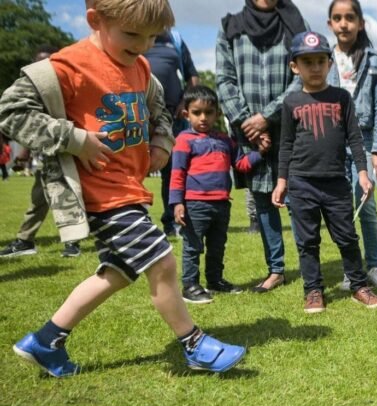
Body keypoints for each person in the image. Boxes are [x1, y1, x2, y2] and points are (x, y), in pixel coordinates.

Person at [0, 0, 245, 377]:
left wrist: (162, 140)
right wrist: (74, 138)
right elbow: (11, 110)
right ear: (96, 20)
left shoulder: (141, 67)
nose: (143, 45)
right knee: (161, 260)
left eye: (152, 36)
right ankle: (194, 344)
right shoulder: (67, 66)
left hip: (128, 190)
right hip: (100, 194)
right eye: (132, 34)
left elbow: (159, 108)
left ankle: (46, 341)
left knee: (118, 271)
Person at [271, 31, 377, 314]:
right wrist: (282, 180)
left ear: (330, 63)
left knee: (346, 236)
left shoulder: (341, 98)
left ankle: (359, 285)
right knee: (307, 241)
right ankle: (313, 291)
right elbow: (285, 145)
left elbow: (355, 138)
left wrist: (362, 172)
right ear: (294, 66)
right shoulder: (291, 102)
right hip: (301, 183)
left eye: (320, 61)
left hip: (336, 182)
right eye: (306, 61)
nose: (314, 67)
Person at [216, 0, 309, 293]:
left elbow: (302, 76)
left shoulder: (293, 23)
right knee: (263, 201)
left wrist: (266, 117)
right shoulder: (230, 26)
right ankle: (276, 270)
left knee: (298, 201)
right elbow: (225, 81)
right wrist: (249, 125)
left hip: (290, 127)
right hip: (249, 135)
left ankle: (310, 268)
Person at [326, 0, 377, 292]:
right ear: (330, 24)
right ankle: (350, 269)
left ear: (360, 23)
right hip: (332, 141)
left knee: (366, 205)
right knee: (341, 208)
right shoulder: (322, 59)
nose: (344, 23)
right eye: (337, 18)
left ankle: (375, 265)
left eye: (350, 18)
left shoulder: (374, 60)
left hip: (365, 141)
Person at [0, 45, 82, 258]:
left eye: (47, 61)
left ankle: (72, 241)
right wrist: (26, 152)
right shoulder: (32, 92)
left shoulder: (67, 87)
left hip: (69, 150)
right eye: (38, 62)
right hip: (47, 154)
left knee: (66, 195)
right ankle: (25, 240)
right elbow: (32, 127)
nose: (43, 66)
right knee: (39, 197)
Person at [169, 85, 244, 304]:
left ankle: (215, 280)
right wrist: (177, 203)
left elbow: (240, 163)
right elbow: (177, 173)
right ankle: (190, 285)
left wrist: (261, 154)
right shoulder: (183, 140)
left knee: (217, 245)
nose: (203, 118)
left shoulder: (224, 140)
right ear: (186, 114)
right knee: (193, 246)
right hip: (195, 205)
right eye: (197, 112)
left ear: (217, 114)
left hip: (221, 204)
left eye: (208, 113)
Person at [145, 29, 200, 238]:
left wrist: (185, 101)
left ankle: (171, 222)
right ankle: (137, 222)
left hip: (172, 116)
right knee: (134, 168)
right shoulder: (132, 32)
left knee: (172, 170)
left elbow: (193, 77)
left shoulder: (175, 38)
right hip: (140, 113)